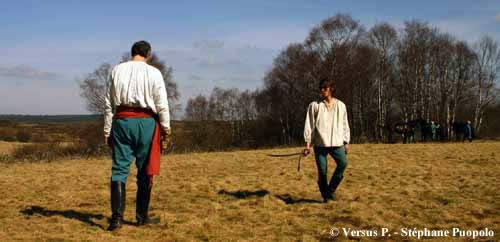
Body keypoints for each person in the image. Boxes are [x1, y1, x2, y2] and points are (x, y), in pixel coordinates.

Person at [104, 40, 171, 231]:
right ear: (148, 54)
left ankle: (116, 219)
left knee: (119, 170)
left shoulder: (116, 70)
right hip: (146, 124)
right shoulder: (154, 73)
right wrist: (166, 128)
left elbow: (109, 104)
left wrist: (107, 130)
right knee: (145, 171)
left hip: (122, 122)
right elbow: (162, 103)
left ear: (132, 52)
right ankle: (141, 218)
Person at [303, 78, 350, 203]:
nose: (322, 90)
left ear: (331, 89)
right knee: (322, 172)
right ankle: (326, 197)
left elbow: (345, 124)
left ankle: (330, 191)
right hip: (320, 144)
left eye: (325, 87)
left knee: (343, 164)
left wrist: (346, 141)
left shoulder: (341, 105)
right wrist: (308, 144)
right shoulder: (315, 106)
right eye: (321, 88)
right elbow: (310, 125)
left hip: (337, 143)